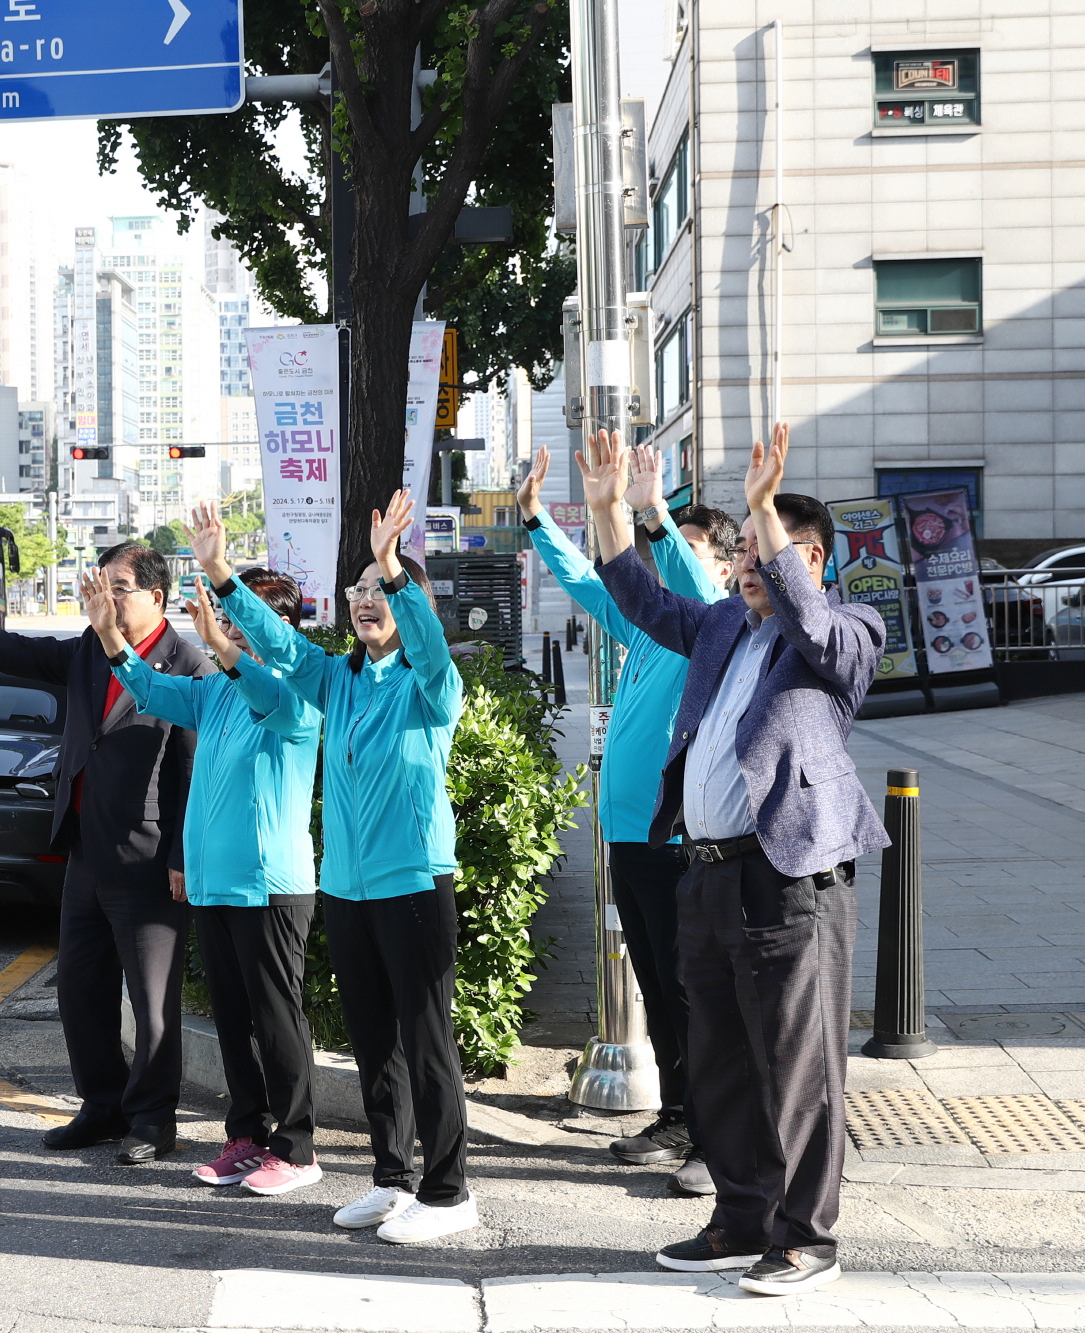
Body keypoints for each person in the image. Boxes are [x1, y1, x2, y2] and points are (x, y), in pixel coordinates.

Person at [583, 425, 887, 1297]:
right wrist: (610, 514)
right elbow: (644, 600)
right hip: (706, 870)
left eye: (760, 549)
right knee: (717, 1054)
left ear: (809, 556)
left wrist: (762, 502)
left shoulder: (844, 633)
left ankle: (808, 1237)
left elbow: (816, 629)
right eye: (745, 551)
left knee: (795, 1061)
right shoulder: (724, 628)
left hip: (787, 875)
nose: (745, 562)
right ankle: (743, 1214)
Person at [193, 492, 475, 1246]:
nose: (365, 603)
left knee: (425, 1041)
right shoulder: (337, 679)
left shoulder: (428, 685)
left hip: (414, 884)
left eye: (378, 592)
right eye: (356, 593)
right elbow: (279, 648)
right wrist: (223, 575)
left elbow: (430, 645)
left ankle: (448, 1190)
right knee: (374, 1040)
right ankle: (391, 1179)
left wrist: (393, 569)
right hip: (348, 888)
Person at [0, 544, 209, 1165]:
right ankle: (102, 1105)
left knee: (150, 1000)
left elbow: (191, 772)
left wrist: (182, 856)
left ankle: (152, 1120)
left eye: (120, 586)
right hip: (84, 848)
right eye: (103, 584)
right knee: (79, 990)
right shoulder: (89, 647)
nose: (108, 597)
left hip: (149, 856)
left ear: (157, 596)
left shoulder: (189, 665)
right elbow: (15, 652)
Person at [517, 442, 738, 1196]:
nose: (664, 562)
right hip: (628, 837)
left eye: (684, 550)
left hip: (680, 841)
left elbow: (684, 574)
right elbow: (588, 579)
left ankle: (716, 1134)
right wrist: (538, 518)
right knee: (655, 981)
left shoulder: (713, 622)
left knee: (691, 989)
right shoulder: (645, 630)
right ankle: (678, 1113)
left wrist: (643, 510)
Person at [88, 563, 324, 1197]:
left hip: (270, 882)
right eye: (227, 620)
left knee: (276, 1018)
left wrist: (223, 644)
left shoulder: (292, 691)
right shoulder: (214, 688)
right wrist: (111, 635)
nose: (229, 632)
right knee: (233, 1020)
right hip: (215, 882)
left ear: (280, 629)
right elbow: (152, 689)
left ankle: (296, 1148)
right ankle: (245, 1137)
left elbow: (261, 689)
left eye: (245, 622)